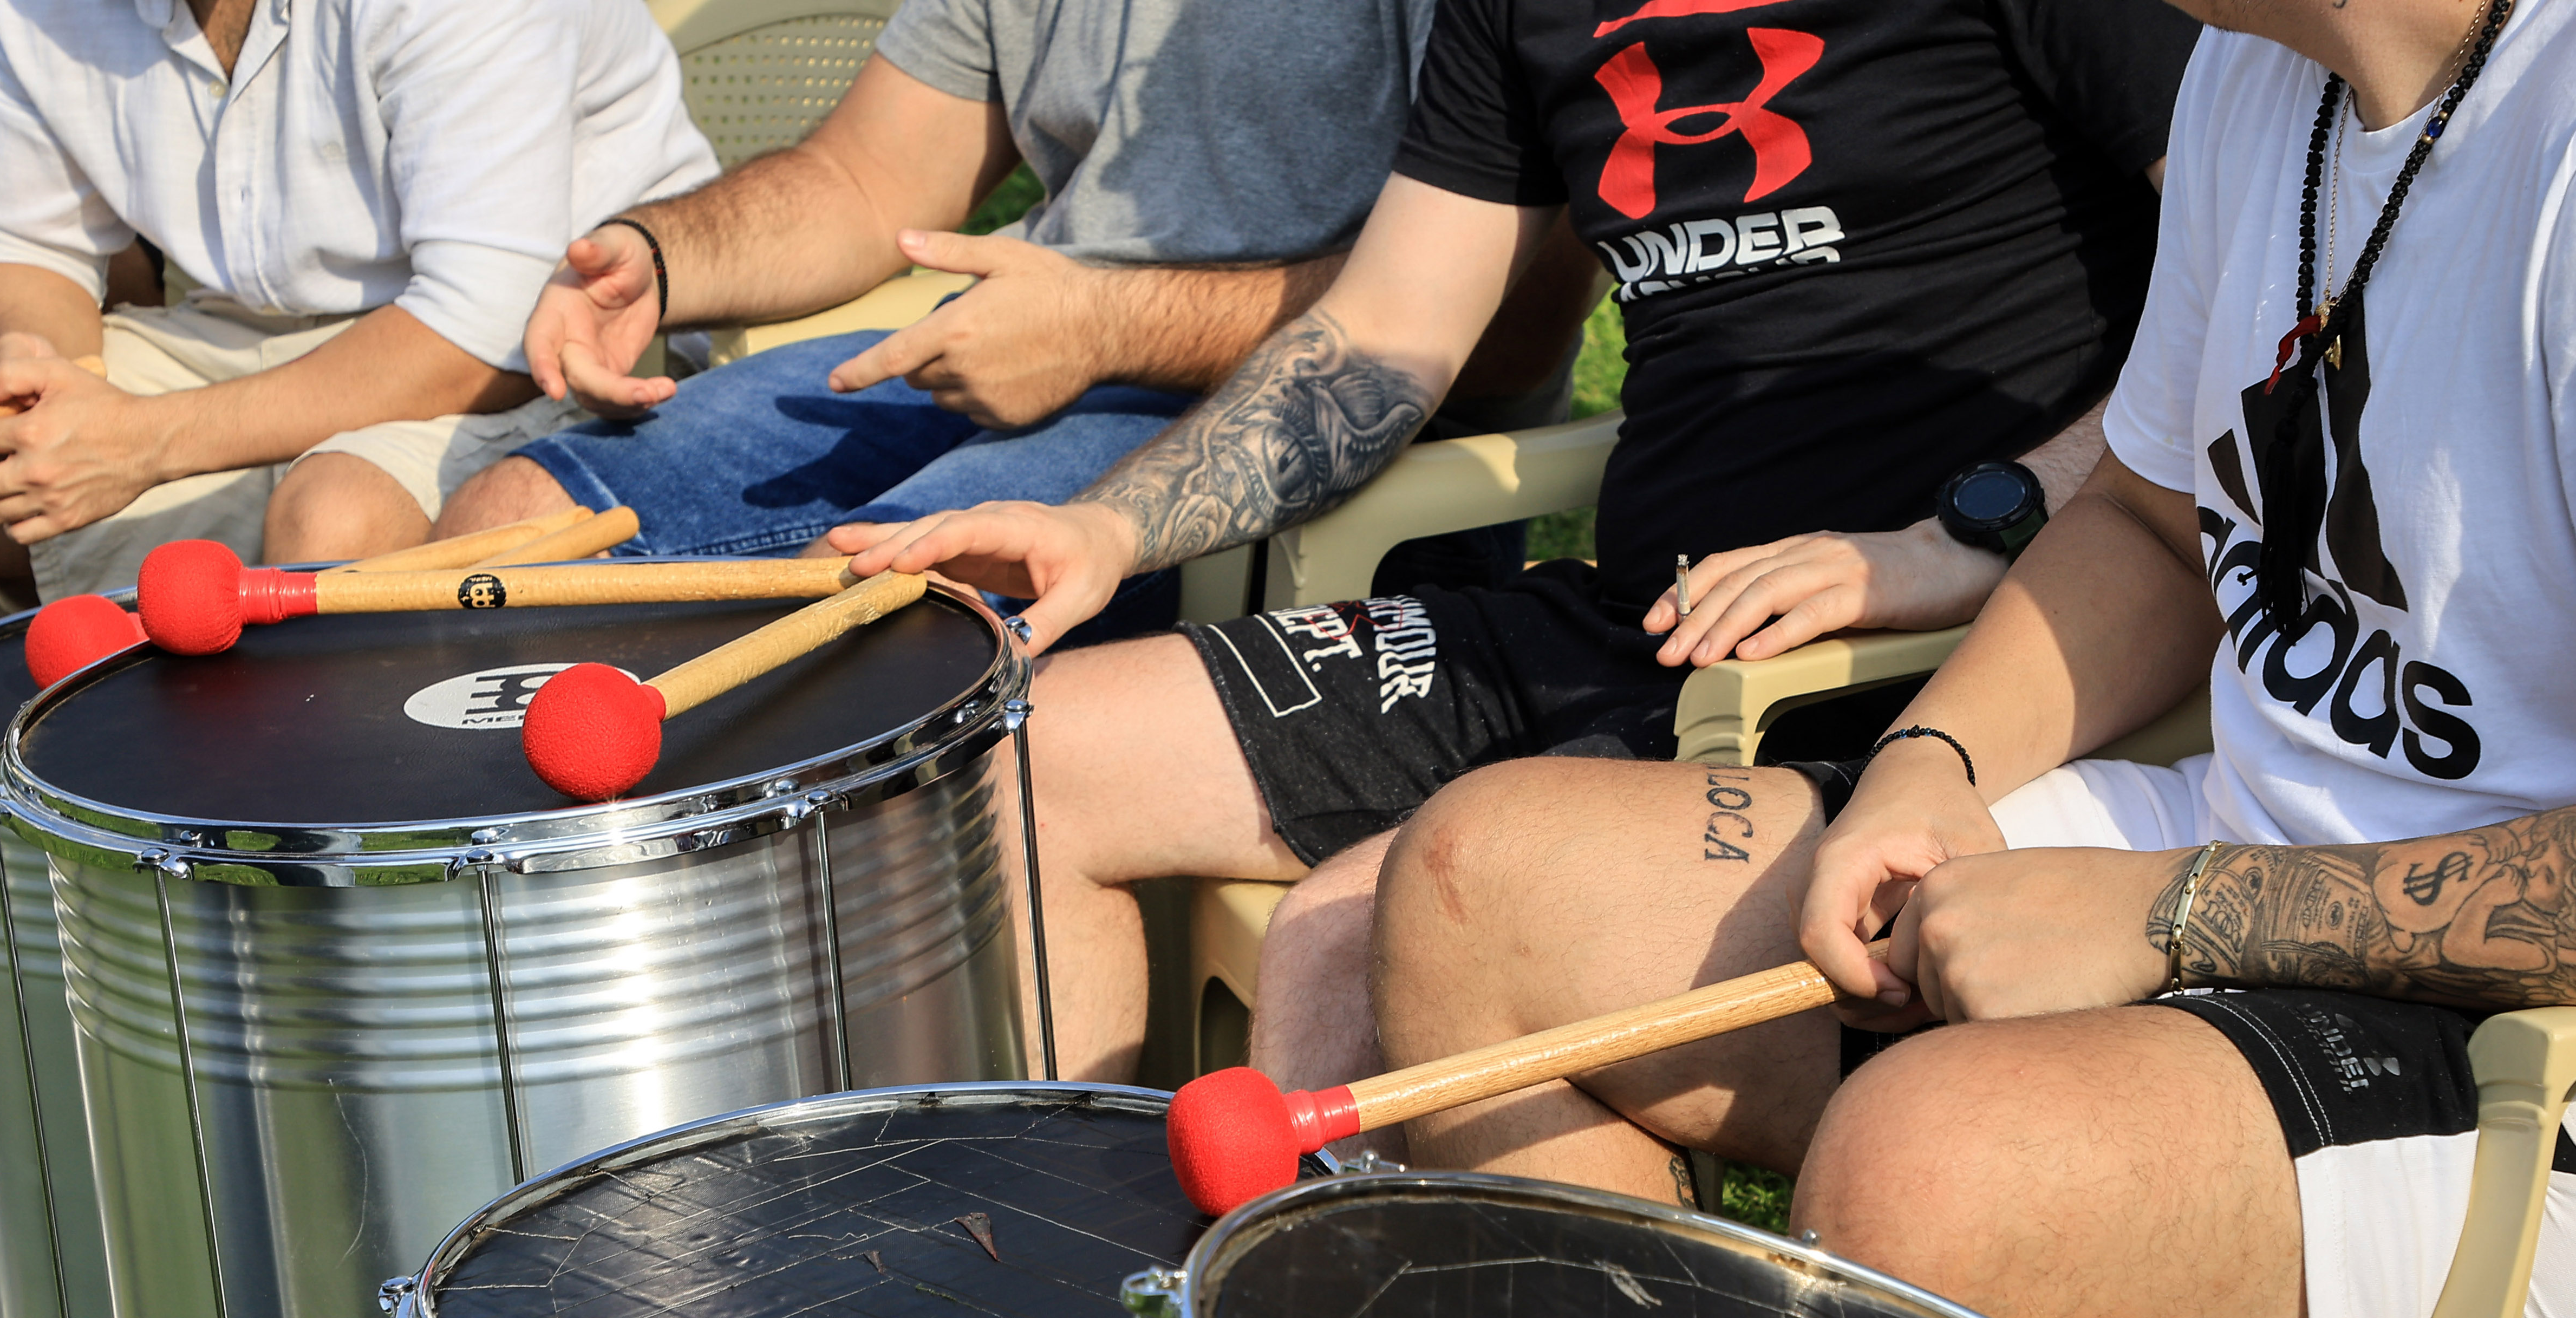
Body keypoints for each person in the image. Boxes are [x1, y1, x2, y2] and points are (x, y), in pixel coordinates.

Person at [1358, 0, 2576, 1318]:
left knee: (1938, 1174)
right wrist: (1929, 769)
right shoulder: (2265, 62)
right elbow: (2157, 521)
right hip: (2280, 855)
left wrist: (2174, 914)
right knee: (1491, 889)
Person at [854, 0, 2202, 1085]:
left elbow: (2258, 308)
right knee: (1019, 754)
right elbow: (1383, 335)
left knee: (1354, 929)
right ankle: (1072, 1317)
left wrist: (1976, 529)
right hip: (1631, 626)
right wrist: (1110, 525)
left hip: (1928, 669)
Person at [433, 0, 1599, 641]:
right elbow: (865, 181)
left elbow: (1509, 322)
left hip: (1318, 427)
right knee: (507, 522)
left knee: (854, 626)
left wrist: (1104, 327)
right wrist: (660, 256)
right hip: (1018, 347)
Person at [0, 0, 716, 604]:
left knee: (334, 519)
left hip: (563, 347)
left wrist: (144, 443)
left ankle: (287, 811)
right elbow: (15, 242)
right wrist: (42, 374)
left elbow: (480, 324)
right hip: (247, 336)